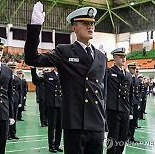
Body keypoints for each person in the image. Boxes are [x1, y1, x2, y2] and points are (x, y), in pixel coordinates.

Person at [25, 2, 108, 154]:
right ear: (74, 27)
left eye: (92, 23)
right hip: (75, 123)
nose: (90, 27)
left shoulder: (101, 57)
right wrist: (35, 27)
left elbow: (104, 92)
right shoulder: (64, 51)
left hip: (97, 123)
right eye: (85, 23)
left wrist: (104, 123)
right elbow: (32, 59)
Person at [106, 48, 133, 154]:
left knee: (123, 137)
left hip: (125, 110)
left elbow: (130, 95)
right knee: (112, 137)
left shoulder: (128, 75)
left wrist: (130, 111)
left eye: (124, 57)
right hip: (113, 109)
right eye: (120, 56)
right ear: (114, 58)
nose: (123, 59)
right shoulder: (109, 72)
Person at [7, 63, 22, 140]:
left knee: (14, 117)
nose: (12, 70)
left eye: (13, 68)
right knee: (8, 116)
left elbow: (20, 91)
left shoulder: (18, 79)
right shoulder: (5, 77)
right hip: (7, 100)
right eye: (11, 68)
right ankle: (8, 134)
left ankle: (13, 133)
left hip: (15, 99)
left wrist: (20, 101)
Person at [127, 62, 140, 143]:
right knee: (128, 121)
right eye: (133, 69)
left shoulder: (135, 78)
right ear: (130, 69)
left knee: (134, 121)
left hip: (135, 102)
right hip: (129, 102)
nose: (135, 70)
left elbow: (136, 92)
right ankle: (127, 136)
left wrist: (138, 103)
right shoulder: (127, 77)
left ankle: (132, 136)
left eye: (135, 69)